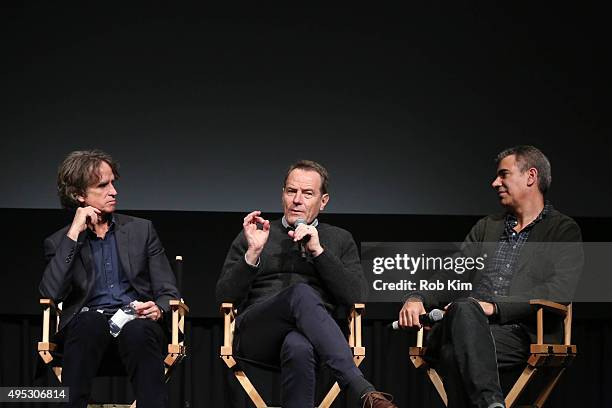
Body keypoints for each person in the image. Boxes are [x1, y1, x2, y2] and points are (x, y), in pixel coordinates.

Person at [398, 145, 583, 408]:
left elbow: (559, 290)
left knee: (453, 354)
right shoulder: (487, 227)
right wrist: (417, 297)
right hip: (468, 323)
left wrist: (494, 307)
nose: (494, 182)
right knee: (464, 310)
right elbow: (454, 271)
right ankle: (491, 403)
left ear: (531, 176)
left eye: (503, 175)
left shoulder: (562, 229)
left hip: (522, 332)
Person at [216, 160, 397, 408]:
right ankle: (362, 390)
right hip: (258, 334)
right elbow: (224, 295)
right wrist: (253, 253)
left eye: (308, 193)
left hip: (317, 338)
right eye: (291, 191)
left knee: (298, 345)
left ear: (323, 201)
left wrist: (318, 251)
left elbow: (357, 296)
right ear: (283, 195)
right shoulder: (257, 234)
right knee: (300, 293)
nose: (297, 200)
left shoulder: (339, 239)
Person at [39, 150, 180, 408]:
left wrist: (158, 309)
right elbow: (51, 292)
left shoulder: (141, 230)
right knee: (89, 321)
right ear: (79, 195)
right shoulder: (60, 242)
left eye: (113, 182)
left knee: (138, 329)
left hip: (137, 329)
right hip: (87, 334)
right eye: (103, 185)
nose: (113, 191)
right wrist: (74, 233)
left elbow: (168, 292)